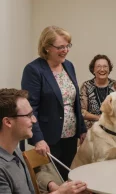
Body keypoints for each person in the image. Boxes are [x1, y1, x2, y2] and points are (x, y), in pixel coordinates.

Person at [21, 26, 87, 181]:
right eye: (60, 47)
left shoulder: (68, 65)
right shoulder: (34, 70)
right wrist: (38, 138)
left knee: (66, 177)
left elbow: (74, 101)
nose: (65, 50)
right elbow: (30, 108)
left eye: (67, 46)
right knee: (51, 181)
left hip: (70, 135)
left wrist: (82, 129)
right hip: (48, 138)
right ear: (47, 48)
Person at [0, 88, 87, 194]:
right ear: (8, 122)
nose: (34, 120)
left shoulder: (15, 151)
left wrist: (55, 188)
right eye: (28, 116)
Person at [80, 54, 116, 130]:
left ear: (109, 69)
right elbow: (82, 111)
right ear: (93, 70)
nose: (102, 69)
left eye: (105, 66)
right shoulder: (86, 86)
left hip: (113, 129)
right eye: (98, 66)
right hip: (92, 129)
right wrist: (99, 118)